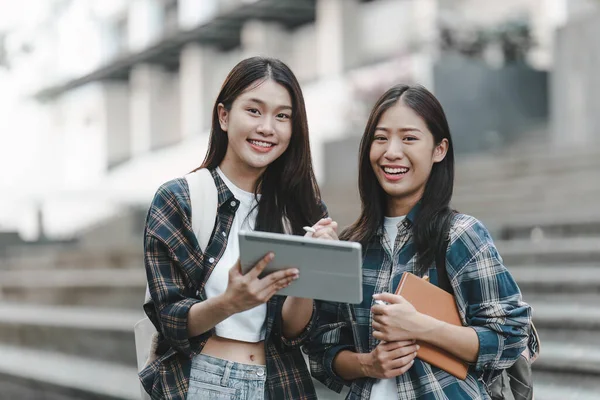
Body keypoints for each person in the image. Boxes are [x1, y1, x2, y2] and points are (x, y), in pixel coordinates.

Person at [307, 84, 533, 399]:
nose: (392, 152)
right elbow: (322, 349)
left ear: (439, 149)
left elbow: (509, 337)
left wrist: (420, 327)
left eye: (409, 138)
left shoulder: (461, 235)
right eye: (381, 138)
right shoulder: (351, 246)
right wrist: (369, 364)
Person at [140, 56, 337, 400]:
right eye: (254, 111)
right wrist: (229, 303)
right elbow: (170, 319)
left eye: (282, 116)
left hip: (283, 384)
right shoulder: (180, 199)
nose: (267, 128)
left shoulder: (304, 210)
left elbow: (294, 332)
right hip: (203, 382)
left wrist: (312, 271)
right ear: (224, 116)